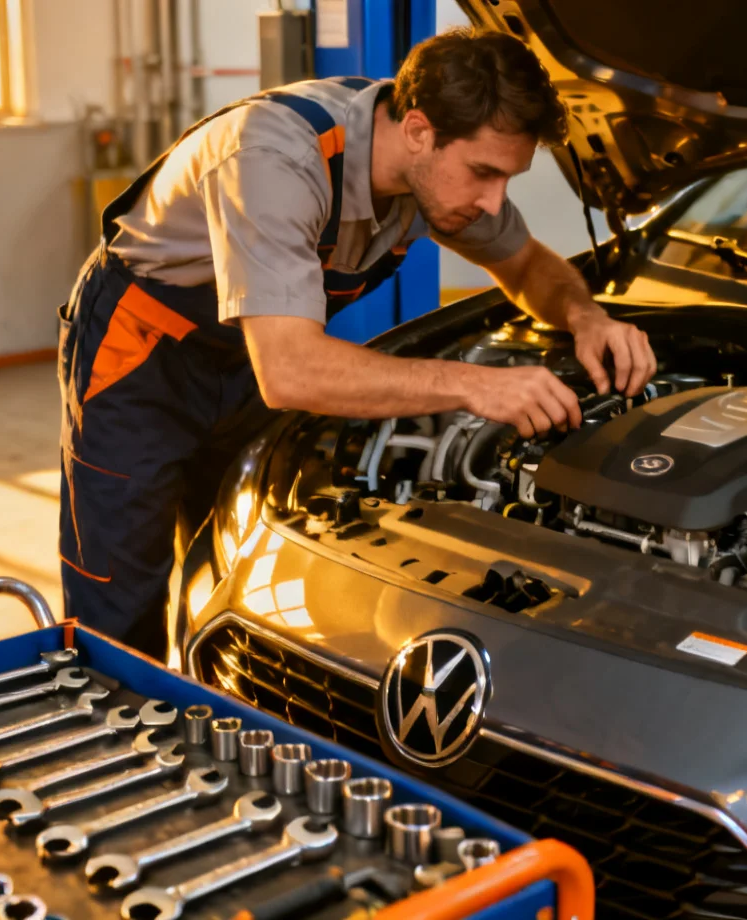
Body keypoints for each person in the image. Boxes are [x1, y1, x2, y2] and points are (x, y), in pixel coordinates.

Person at [58, 28, 657, 659]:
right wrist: (477, 385)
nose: (493, 200)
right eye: (484, 173)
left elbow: (530, 266)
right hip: (142, 352)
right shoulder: (275, 157)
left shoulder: (433, 177)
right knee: (119, 599)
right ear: (420, 131)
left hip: (247, 353)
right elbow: (290, 372)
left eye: (507, 178)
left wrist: (586, 317)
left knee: (234, 563)